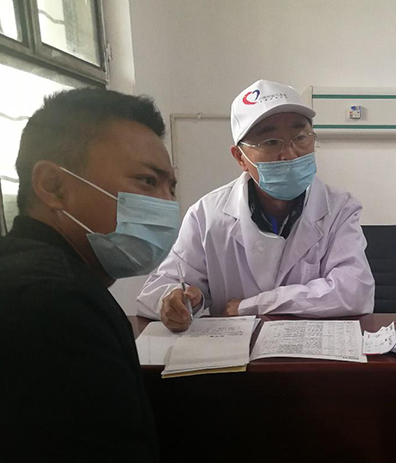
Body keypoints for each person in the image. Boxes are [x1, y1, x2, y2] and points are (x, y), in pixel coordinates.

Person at [0, 88, 353, 463]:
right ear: (53, 186)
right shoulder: (50, 309)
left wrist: (246, 305)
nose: (165, 205)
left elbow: (354, 290)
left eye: (300, 136)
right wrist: (180, 297)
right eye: (148, 182)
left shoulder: (52, 284)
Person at [137, 79, 374, 331]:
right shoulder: (206, 215)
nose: (290, 153)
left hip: (314, 350)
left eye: (300, 137)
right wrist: (175, 300)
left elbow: (354, 292)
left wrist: (251, 306)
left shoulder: (339, 208)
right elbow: (157, 290)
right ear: (240, 158)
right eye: (271, 142)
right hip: (237, 351)